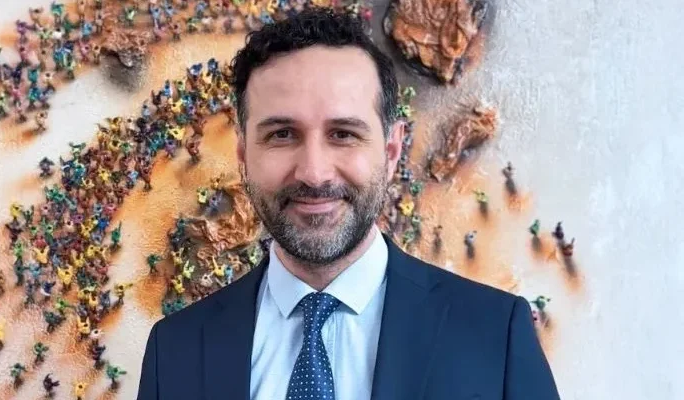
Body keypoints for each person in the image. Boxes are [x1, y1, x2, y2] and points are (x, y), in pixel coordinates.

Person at [137, 8, 560, 400]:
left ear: (391, 151)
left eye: (343, 134)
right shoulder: (173, 351)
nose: (314, 173)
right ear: (243, 154)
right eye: (282, 134)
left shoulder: (495, 335)